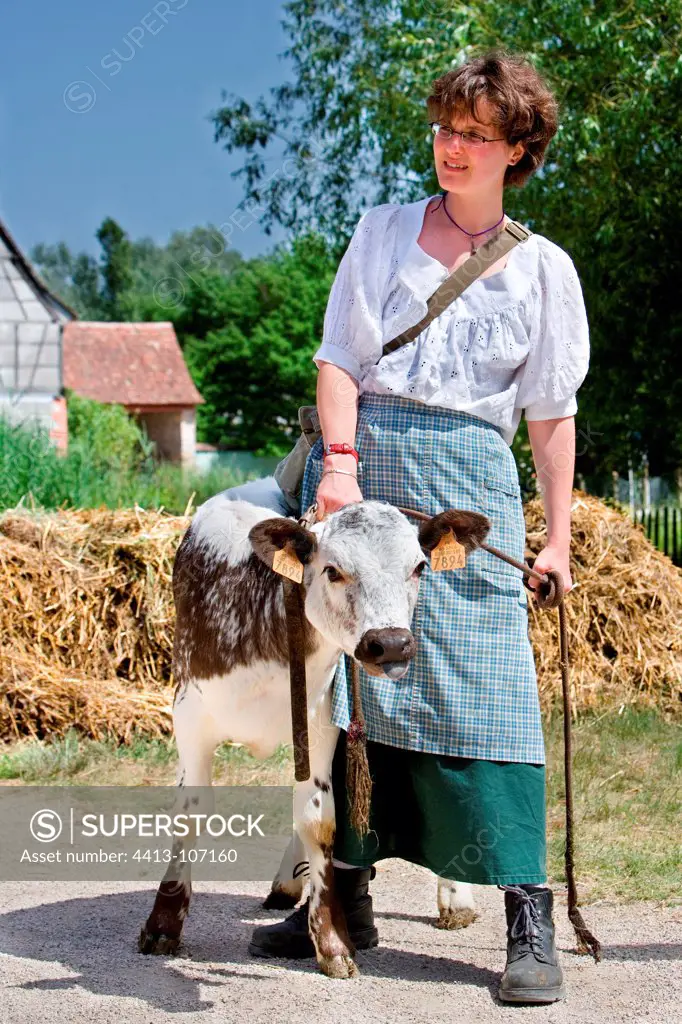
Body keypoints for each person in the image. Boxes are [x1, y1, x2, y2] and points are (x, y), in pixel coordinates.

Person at [249, 48, 590, 1005]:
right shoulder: (384, 231)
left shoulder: (544, 271)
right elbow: (340, 358)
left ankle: (529, 920)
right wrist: (342, 462)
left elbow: (551, 415)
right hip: (365, 480)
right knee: (357, 696)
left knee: (492, 688)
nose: (451, 147)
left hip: (468, 493)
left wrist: (557, 539)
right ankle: (342, 897)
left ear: (517, 149)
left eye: (475, 135)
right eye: (444, 128)